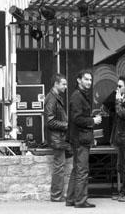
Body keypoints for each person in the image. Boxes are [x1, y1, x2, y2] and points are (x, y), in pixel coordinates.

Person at [66, 69, 102, 208]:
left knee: (77, 169)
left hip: (79, 137)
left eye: (90, 80)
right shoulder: (77, 96)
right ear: (79, 80)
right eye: (86, 79)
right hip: (80, 138)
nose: (89, 82)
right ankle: (80, 201)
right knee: (82, 170)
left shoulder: (79, 95)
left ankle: (71, 199)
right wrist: (93, 121)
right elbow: (77, 118)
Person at [44, 73, 71, 202]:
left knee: (61, 166)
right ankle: (56, 195)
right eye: (63, 84)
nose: (66, 86)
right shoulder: (52, 99)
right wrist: (67, 125)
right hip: (58, 139)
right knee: (59, 167)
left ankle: (60, 194)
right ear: (56, 83)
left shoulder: (55, 97)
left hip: (59, 138)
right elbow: (50, 121)